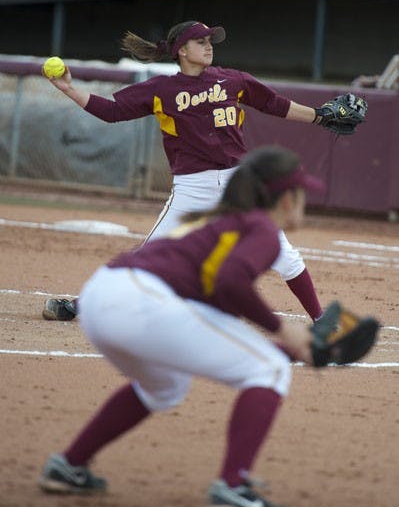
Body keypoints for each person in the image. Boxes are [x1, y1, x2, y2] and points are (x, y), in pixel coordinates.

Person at [38, 144, 325, 507]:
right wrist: (285, 332)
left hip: (101, 296)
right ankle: (232, 488)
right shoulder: (261, 228)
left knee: (167, 386)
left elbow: (214, 321)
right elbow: (232, 281)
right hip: (140, 301)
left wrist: (294, 348)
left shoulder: (217, 220)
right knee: (269, 370)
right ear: (286, 199)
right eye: (301, 192)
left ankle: (69, 465)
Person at [42, 20, 326, 324]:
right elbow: (112, 111)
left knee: (283, 253)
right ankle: (80, 305)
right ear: (181, 50)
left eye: (210, 41)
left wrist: (320, 116)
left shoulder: (232, 80)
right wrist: (70, 89)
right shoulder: (163, 89)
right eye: (201, 41)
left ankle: (322, 322)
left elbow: (274, 103)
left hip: (239, 184)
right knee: (149, 255)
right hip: (193, 187)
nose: (208, 46)